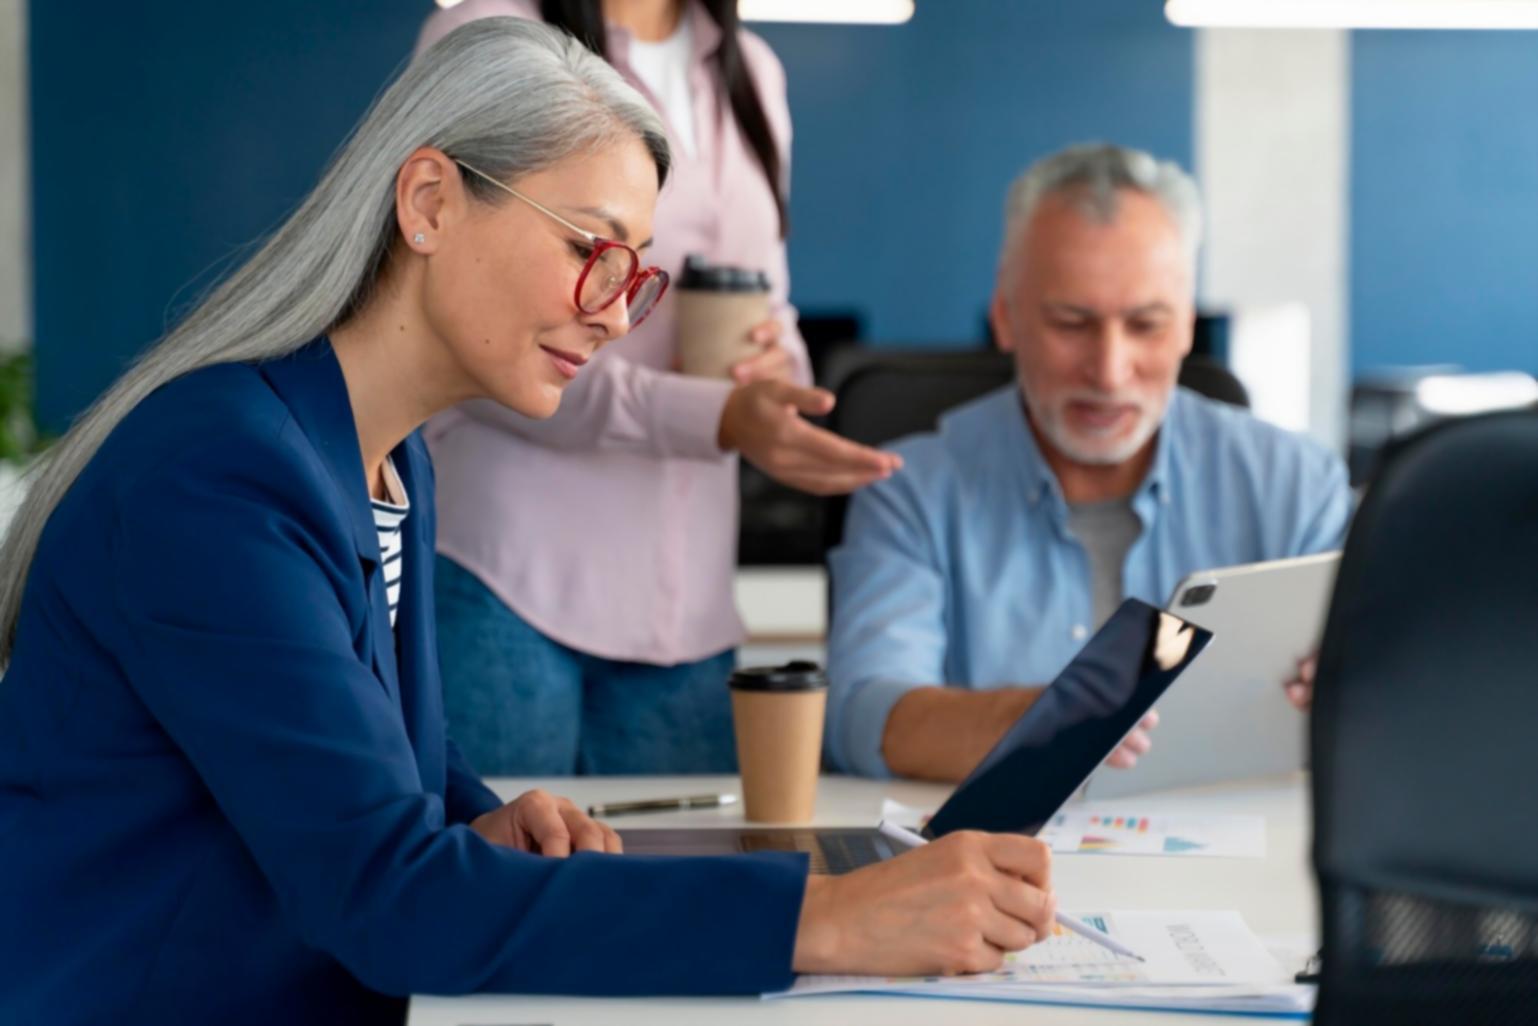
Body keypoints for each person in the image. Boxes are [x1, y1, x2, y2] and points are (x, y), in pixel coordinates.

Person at [0, 21, 1050, 1025]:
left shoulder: (387, 453)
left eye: (634, 275)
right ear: (427, 201)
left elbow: (361, 770)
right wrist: (828, 917)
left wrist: (467, 818)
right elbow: (388, 899)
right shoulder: (219, 481)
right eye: (591, 247)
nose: (611, 310)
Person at [415, 0, 897, 776]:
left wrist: (784, 388)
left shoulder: (755, 73)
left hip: (689, 618)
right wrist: (719, 419)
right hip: (508, 587)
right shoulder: (491, 35)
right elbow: (478, 334)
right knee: (497, 884)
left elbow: (768, 301)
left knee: (678, 889)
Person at [826, 144, 1352, 782]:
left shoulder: (1296, 487)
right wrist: (1038, 721)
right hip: (991, 868)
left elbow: (1382, 700)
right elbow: (862, 720)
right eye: (1072, 323)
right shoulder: (907, 492)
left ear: (1187, 325)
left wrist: (1358, 694)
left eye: (1147, 325)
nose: (1108, 372)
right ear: (1005, 316)